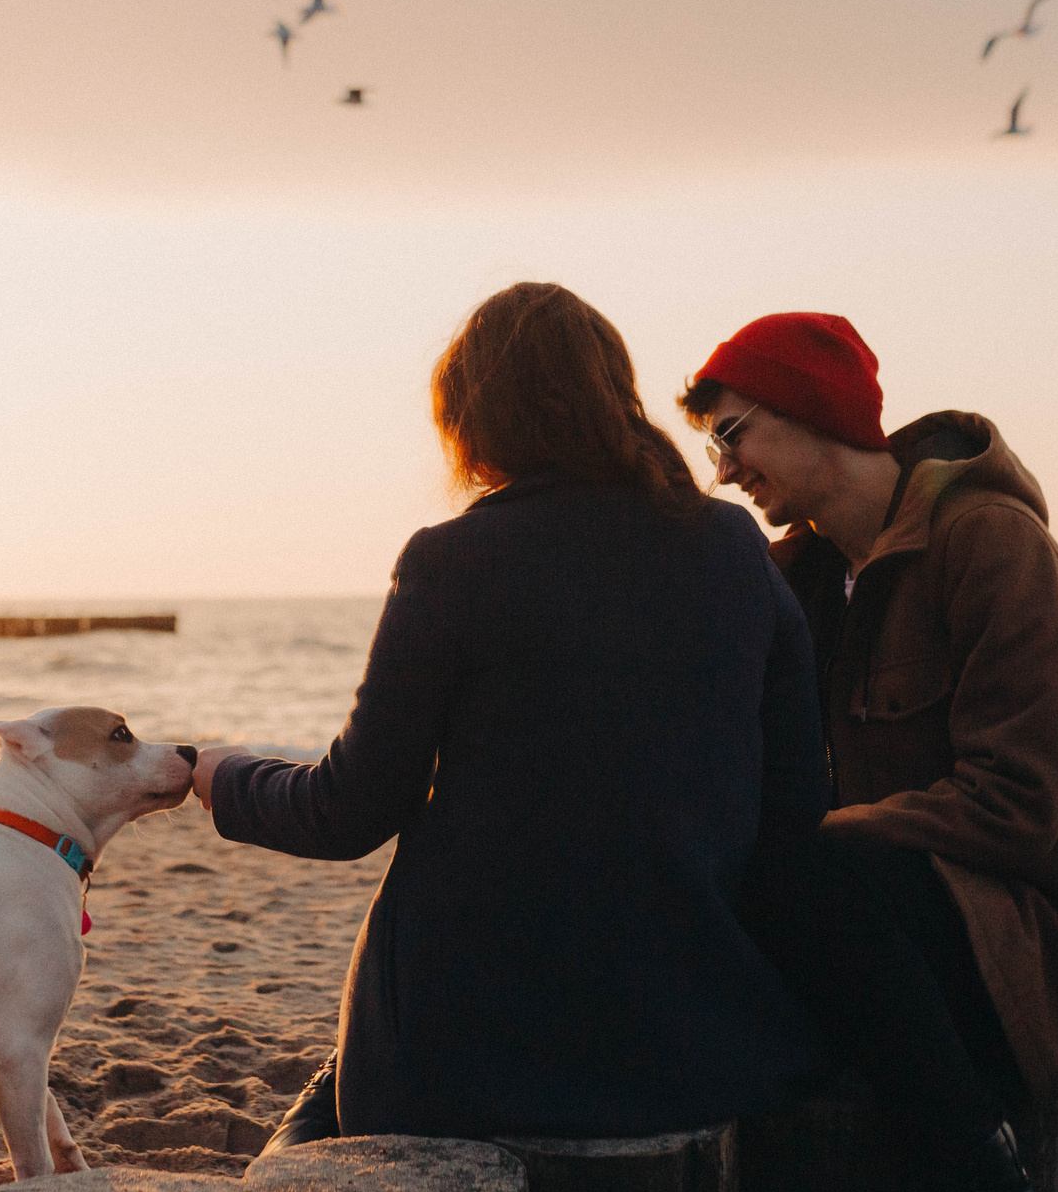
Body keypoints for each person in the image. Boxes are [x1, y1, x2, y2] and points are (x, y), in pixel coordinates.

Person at [187, 281, 826, 1143]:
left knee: (308, 1130)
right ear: (615, 396)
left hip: (469, 1058)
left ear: (474, 422)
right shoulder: (733, 546)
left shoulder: (453, 559)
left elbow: (349, 810)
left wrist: (226, 777)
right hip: (683, 1046)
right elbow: (794, 804)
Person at [680, 311, 1058, 1192]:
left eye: (731, 433)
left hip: (1042, 942)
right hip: (894, 927)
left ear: (813, 410)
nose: (722, 471)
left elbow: (1019, 804)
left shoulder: (992, 546)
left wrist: (823, 841)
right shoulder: (800, 578)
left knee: (802, 876)